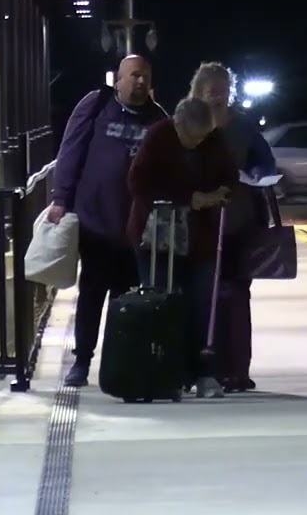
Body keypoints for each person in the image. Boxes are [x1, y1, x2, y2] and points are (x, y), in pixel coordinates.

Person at [50, 55, 168, 388]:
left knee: (125, 300)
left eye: (145, 76)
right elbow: (71, 149)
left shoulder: (158, 119)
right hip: (95, 222)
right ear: (118, 80)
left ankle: (118, 363)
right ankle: (82, 361)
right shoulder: (97, 104)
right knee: (91, 294)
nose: (140, 82)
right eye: (134, 76)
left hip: (134, 228)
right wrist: (61, 198)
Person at [127, 98, 239, 399]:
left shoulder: (214, 139)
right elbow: (138, 183)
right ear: (177, 124)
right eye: (192, 137)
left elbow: (230, 173)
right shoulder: (159, 136)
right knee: (163, 303)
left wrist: (223, 191)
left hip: (200, 238)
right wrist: (189, 198)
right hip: (158, 238)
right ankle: (164, 373)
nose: (198, 142)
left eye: (203, 136)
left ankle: (204, 372)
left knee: (203, 305)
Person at [190, 62, 277, 393]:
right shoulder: (188, 121)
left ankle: (238, 369)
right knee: (206, 296)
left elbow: (264, 160)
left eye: (223, 93)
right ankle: (206, 366)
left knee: (238, 296)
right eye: (212, 93)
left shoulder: (242, 126)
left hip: (240, 222)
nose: (218, 100)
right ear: (199, 92)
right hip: (203, 225)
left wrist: (256, 174)